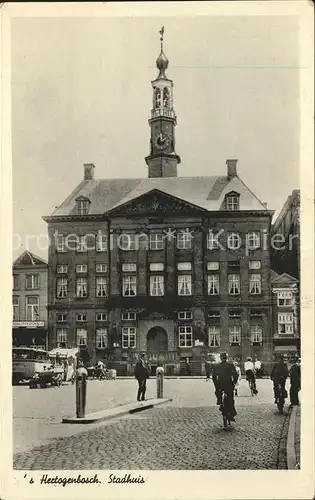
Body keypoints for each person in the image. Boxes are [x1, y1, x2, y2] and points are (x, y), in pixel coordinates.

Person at [212, 352, 238, 421]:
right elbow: (235, 375)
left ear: (220, 358)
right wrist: (234, 383)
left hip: (220, 384)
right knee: (231, 398)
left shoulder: (216, 366)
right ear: (226, 358)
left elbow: (214, 377)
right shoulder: (230, 365)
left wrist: (216, 385)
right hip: (228, 384)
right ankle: (231, 412)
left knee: (218, 393)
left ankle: (220, 402)